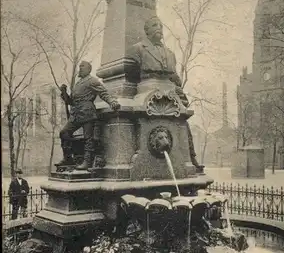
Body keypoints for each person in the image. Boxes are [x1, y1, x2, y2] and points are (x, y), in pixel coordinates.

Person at [128, 16, 201, 170]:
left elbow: (174, 77)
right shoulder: (138, 49)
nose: (159, 29)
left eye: (160, 26)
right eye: (154, 25)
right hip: (147, 88)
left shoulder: (170, 53)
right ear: (146, 30)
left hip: (169, 91)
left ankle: (190, 158)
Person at [58, 61, 121, 170]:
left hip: (87, 112)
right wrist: (64, 93)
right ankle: (68, 157)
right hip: (76, 114)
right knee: (64, 132)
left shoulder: (92, 81)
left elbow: (103, 93)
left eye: (82, 67)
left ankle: (87, 161)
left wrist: (112, 102)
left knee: (88, 138)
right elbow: (71, 101)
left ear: (88, 69)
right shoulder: (78, 83)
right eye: (80, 66)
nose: (80, 68)